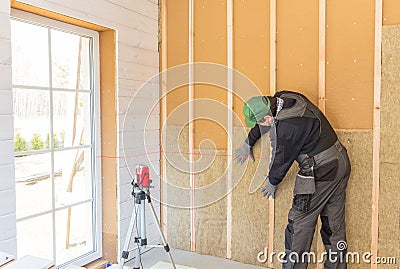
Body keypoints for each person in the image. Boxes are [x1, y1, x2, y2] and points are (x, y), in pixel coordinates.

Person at [234, 90, 351, 269]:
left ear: (268, 117)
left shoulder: (287, 129)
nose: (260, 125)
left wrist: (272, 182)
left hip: (322, 170)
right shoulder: (284, 98)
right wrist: (248, 142)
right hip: (339, 161)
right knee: (333, 223)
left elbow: (281, 160)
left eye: (260, 121)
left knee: (299, 224)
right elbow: (265, 120)